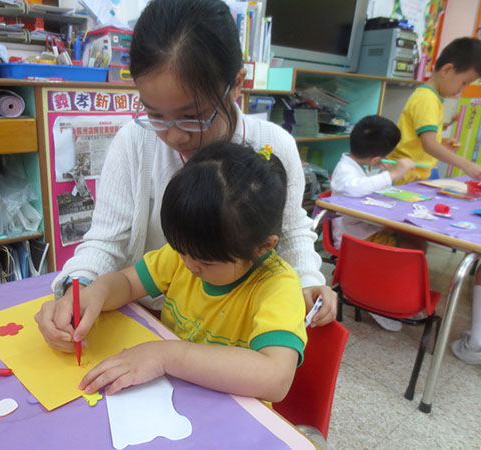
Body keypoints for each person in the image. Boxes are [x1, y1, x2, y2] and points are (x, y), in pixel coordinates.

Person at [35, 0, 336, 353]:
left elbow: (290, 229)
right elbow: (105, 239)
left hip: (233, 334)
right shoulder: (134, 142)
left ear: (236, 84)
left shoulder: (273, 145)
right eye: (155, 115)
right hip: (147, 315)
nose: (174, 135)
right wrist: (78, 289)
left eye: (193, 116)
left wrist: (308, 280)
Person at [72, 142, 306, 402]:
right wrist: (96, 293)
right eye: (180, 250)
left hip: (232, 412)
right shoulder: (186, 254)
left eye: (206, 262)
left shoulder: (278, 286)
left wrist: (165, 355)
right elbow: (127, 283)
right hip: (170, 395)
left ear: (262, 247)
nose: (188, 265)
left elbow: (275, 378)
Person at [330, 115, 416, 331]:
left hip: (365, 229)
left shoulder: (358, 167)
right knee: (405, 252)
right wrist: (393, 174)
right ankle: (377, 302)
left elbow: (364, 186)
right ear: (376, 158)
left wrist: (382, 172)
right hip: (353, 238)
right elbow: (354, 187)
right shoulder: (344, 171)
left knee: (413, 243)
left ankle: (393, 295)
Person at [388, 37, 481, 185]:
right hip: (406, 178)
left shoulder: (431, 97)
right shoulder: (427, 99)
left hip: (414, 176)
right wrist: (467, 165)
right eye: (464, 83)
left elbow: (418, 141)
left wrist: (440, 143)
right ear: (447, 70)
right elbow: (429, 144)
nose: (462, 90)